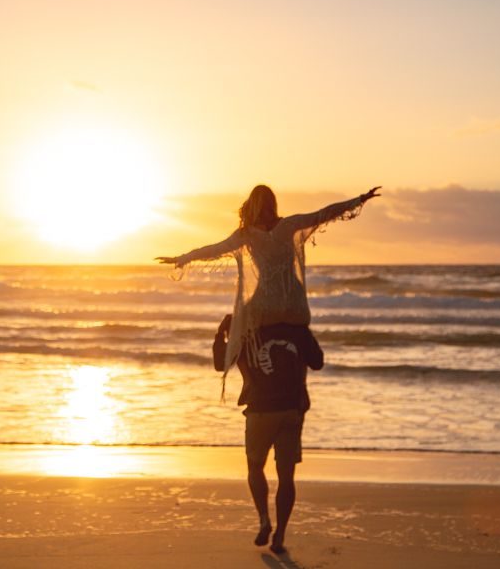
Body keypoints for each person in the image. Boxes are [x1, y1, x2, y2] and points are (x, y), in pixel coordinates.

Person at [158, 184, 380, 552]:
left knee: (244, 344)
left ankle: (268, 521)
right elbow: (323, 214)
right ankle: (277, 531)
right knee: (286, 464)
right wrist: (357, 201)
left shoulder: (253, 234)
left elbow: (216, 249)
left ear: (253, 205)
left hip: (267, 310)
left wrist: (182, 259)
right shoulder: (286, 226)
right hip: (291, 308)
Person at [213, 313, 323, 554]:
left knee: (255, 468)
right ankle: (280, 536)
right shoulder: (296, 328)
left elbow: (220, 364)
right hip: (291, 411)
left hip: (260, 411)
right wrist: (305, 331)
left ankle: (264, 519)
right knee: (286, 476)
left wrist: (221, 333)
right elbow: (317, 362)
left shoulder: (243, 325)